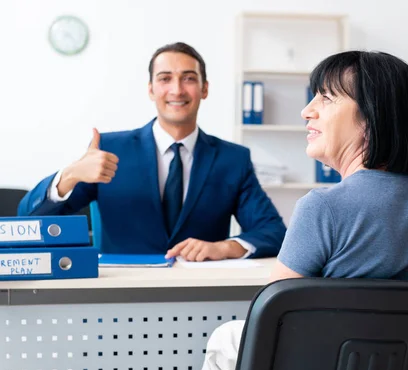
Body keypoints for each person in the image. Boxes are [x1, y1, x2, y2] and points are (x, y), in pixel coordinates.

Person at [188, 50, 408, 370]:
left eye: (326, 98)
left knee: (227, 340)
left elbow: (269, 322)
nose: (307, 110)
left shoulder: (322, 208)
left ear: (369, 117)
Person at [18, 42, 286, 260]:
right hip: (119, 299)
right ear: (151, 89)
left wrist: (225, 247)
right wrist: (71, 175)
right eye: (165, 78)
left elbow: (274, 232)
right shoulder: (109, 150)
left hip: (202, 297)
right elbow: (27, 221)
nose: (177, 90)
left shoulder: (232, 159)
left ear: (204, 89)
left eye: (189, 78)